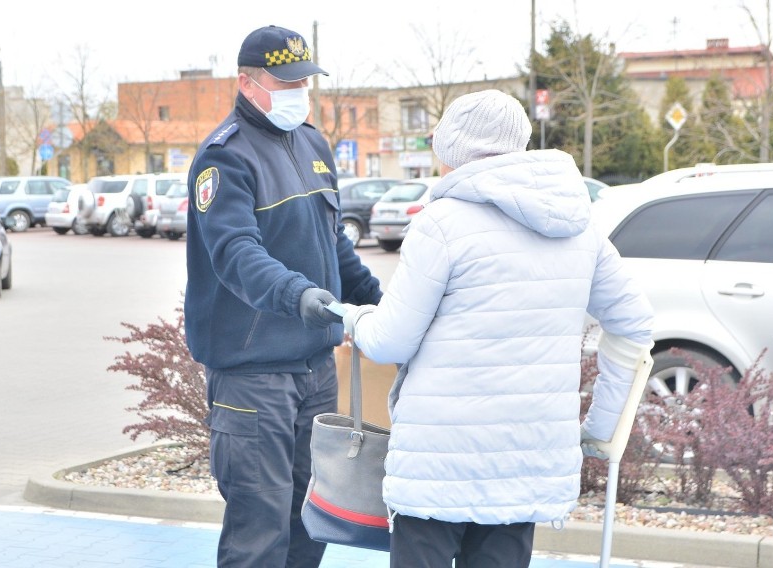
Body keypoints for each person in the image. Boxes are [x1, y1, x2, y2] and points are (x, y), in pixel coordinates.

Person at [340, 89, 654, 568]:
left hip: (438, 466)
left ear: (453, 150)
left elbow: (390, 341)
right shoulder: (578, 225)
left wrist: (354, 317)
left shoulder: (442, 223)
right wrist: (601, 429)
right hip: (525, 464)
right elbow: (633, 324)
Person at [184, 24, 383, 567]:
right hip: (253, 374)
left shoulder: (312, 142)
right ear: (248, 84)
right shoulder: (224, 159)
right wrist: (299, 294)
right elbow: (235, 254)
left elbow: (331, 240)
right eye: (286, 81)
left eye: (304, 80)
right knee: (259, 530)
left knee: (309, 524)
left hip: (315, 367)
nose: (300, 91)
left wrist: (379, 300)